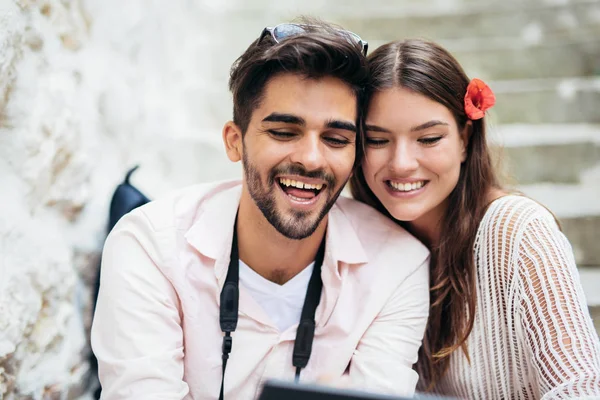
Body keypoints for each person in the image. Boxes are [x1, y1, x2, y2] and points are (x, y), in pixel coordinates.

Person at [91, 22, 431, 399]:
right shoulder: (148, 246)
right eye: (284, 132)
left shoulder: (397, 266)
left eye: (336, 139)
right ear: (235, 142)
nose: (311, 159)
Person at [350, 38, 600, 399]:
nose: (402, 162)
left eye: (429, 138)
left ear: (465, 138)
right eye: (376, 140)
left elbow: (583, 387)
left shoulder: (517, 230)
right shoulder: (361, 238)